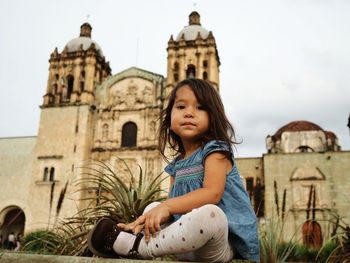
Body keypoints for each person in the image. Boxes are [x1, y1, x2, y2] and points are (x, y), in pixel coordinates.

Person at [88, 78, 260, 262]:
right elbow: (173, 208)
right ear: (169, 118)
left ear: (213, 117)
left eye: (200, 107)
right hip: (186, 244)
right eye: (181, 107)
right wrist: (140, 222)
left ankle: (135, 247)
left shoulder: (215, 151)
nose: (189, 113)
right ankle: (135, 238)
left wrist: (167, 206)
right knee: (153, 208)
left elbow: (212, 193)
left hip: (221, 244)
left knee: (211, 214)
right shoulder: (176, 165)